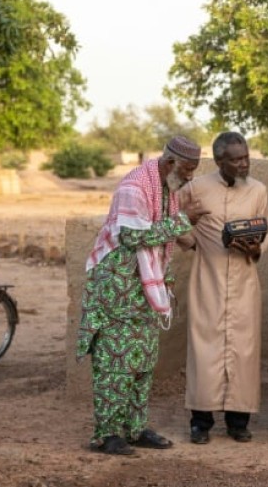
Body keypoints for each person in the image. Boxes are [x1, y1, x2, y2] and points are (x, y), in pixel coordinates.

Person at [77, 136, 208, 456]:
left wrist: (174, 269)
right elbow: (133, 237)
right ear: (169, 163)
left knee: (142, 360)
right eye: (187, 169)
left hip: (144, 287)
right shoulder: (134, 188)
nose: (190, 176)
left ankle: (135, 429)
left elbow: (163, 237)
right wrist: (182, 221)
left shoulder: (168, 189)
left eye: (194, 170)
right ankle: (107, 434)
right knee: (114, 361)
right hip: (116, 287)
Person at [178, 131, 268, 444]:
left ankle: (238, 422)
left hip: (244, 282)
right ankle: (200, 423)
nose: (244, 164)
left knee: (243, 351)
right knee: (205, 350)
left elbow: (265, 229)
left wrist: (255, 248)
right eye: (236, 159)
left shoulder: (258, 190)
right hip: (208, 281)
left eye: (246, 157)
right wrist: (192, 244)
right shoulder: (196, 188)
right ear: (219, 161)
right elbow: (172, 217)